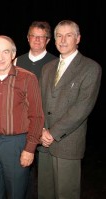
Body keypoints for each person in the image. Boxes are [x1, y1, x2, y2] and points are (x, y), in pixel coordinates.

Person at [38, 20, 102, 199]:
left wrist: (52, 133)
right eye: (59, 35)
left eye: (69, 35)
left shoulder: (91, 68)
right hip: (44, 143)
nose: (63, 40)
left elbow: (82, 107)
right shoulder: (47, 68)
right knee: (45, 193)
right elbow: (40, 102)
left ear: (78, 39)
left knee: (66, 194)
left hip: (67, 144)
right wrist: (41, 129)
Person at [0, 35, 44, 199]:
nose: (0, 57)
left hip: (16, 145)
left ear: (13, 54)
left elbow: (36, 116)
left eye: (5, 52)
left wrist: (29, 149)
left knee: (16, 193)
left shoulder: (28, 78)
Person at [14, 21, 57, 199]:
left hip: (46, 129)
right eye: (33, 35)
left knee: (47, 178)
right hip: (22, 127)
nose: (37, 40)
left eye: (41, 37)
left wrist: (47, 128)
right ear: (27, 38)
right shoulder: (16, 61)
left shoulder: (56, 62)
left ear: (47, 40)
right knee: (23, 172)